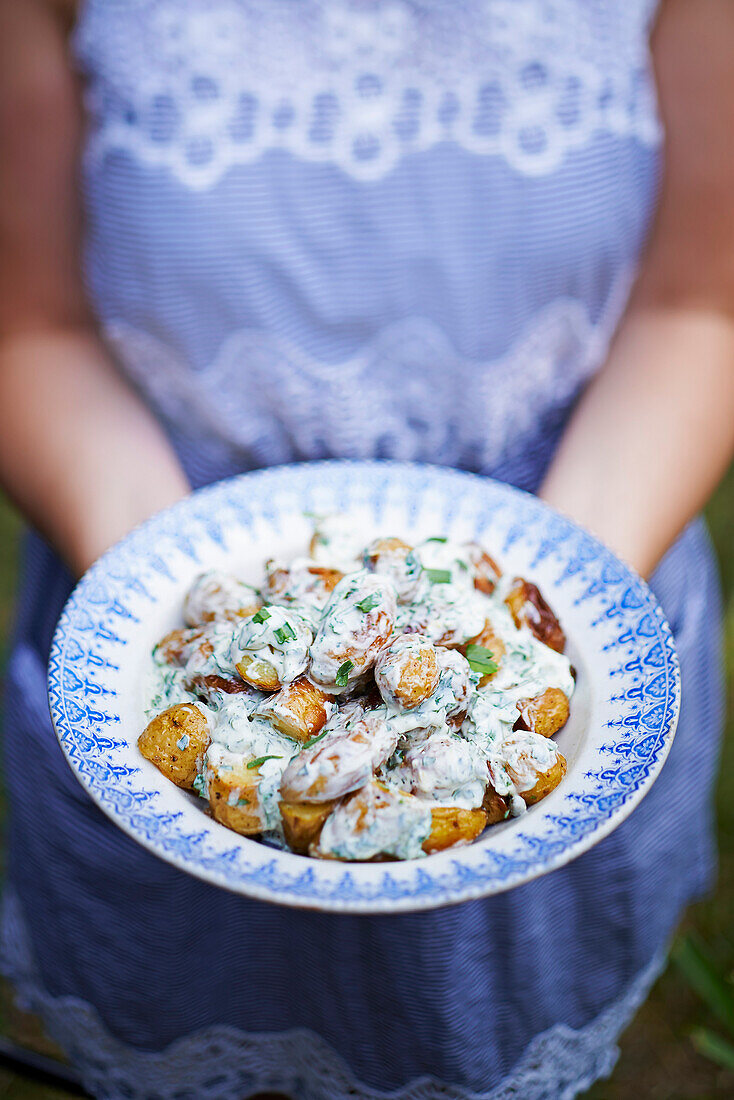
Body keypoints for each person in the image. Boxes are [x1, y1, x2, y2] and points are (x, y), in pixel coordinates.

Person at [0, 1, 732, 1097]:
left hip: (580, 546)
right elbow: (29, 320)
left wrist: (541, 602)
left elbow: (696, 300)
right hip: (154, 553)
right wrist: (181, 594)